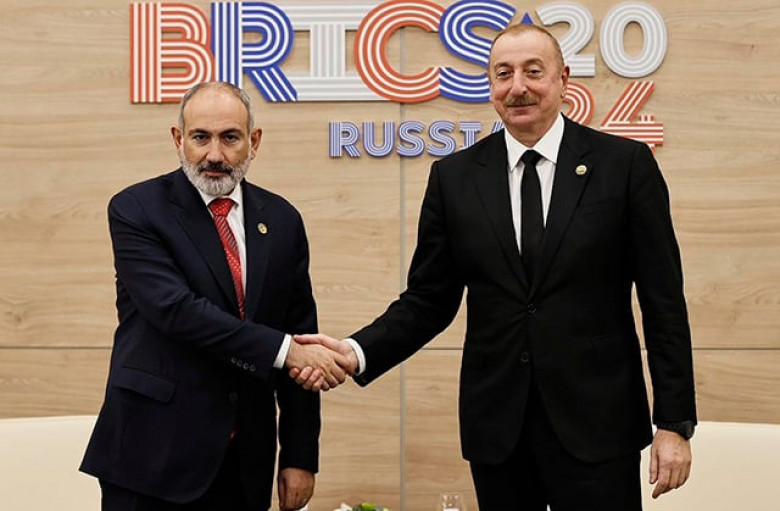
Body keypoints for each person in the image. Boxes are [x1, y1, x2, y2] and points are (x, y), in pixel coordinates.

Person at [293, 24, 696, 511]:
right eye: (503, 74)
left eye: (533, 71)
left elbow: (663, 302)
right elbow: (428, 300)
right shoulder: (455, 178)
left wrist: (673, 423)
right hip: (499, 429)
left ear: (564, 79)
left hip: (599, 424)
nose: (517, 87)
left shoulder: (624, 165)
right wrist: (355, 351)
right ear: (490, 86)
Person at [80, 81, 348, 511]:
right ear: (178, 139)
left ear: (254, 141)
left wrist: (299, 455)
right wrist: (286, 351)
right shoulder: (136, 209)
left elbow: (300, 333)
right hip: (151, 455)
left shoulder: (282, 219)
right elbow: (176, 310)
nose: (214, 155)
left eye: (230, 138)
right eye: (201, 137)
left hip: (244, 461)